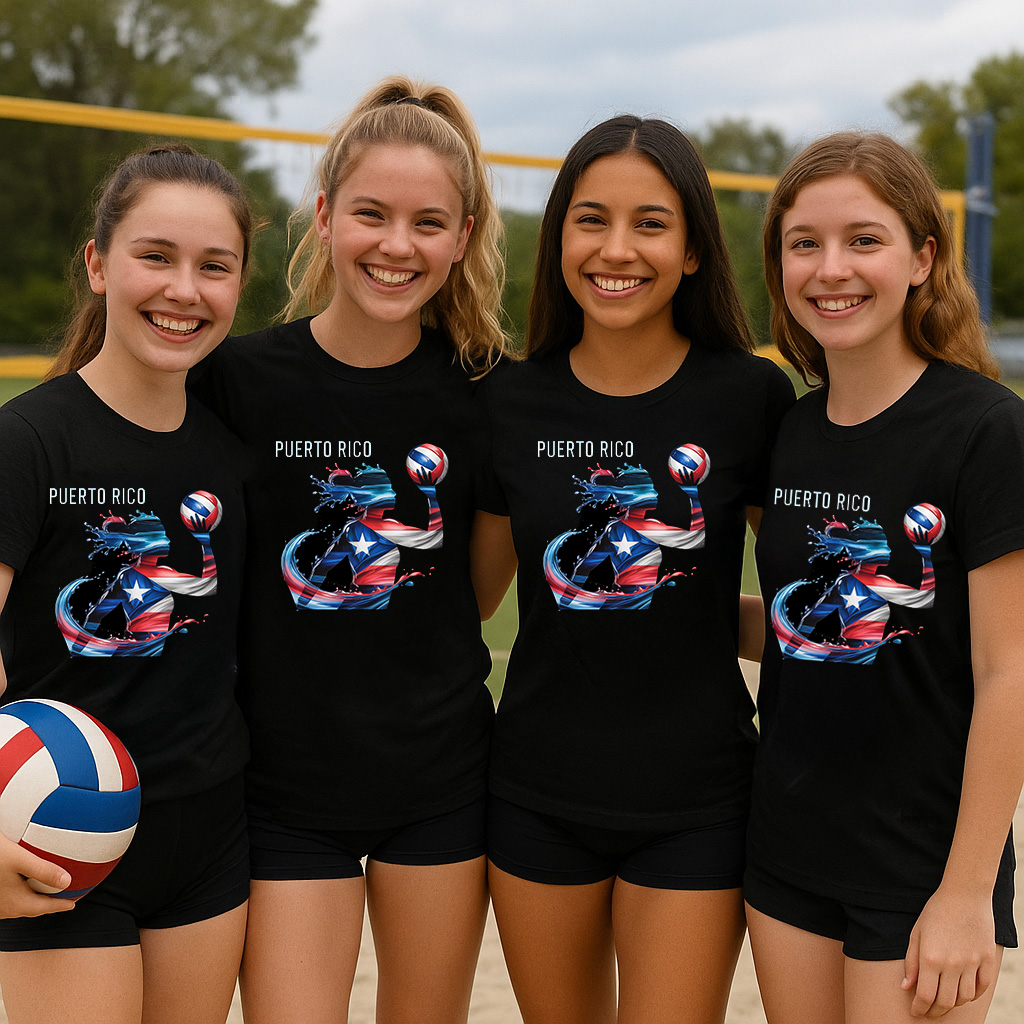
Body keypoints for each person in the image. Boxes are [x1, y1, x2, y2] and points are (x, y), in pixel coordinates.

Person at [190, 75, 507, 1024]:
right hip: (281, 790)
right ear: (324, 217)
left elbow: (479, 598)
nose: (396, 246)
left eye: (427, 223)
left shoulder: (492, 395)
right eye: (371, 214)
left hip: (442, 785)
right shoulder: (236, 381)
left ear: (462, 236)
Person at [470, 115, 795, 1024]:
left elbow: (801, 603)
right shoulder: (508, 398)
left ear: (694, 249)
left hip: (701, 800)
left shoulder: (750, 397)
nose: (618, 249)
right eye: (590, 219)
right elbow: (469, 604)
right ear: (559, 237)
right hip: (535, 793)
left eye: (651, 223)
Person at [745, 131, 1024, 1023]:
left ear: (922, 257)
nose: (832, 269)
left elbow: (1008, 672)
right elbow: (809, 630)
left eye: (864, 239)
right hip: (786, 848)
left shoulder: (985, 430)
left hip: (921, 870)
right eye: (804, 243)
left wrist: (966, 892)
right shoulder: (786, 433)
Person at [0, 143, 253, 1024]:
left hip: (209, 846)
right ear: (99, 263)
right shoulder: (28, 441)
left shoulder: (230, 453)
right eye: (156, 256)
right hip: (56, 833)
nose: (185, 290)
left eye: (213, 267)